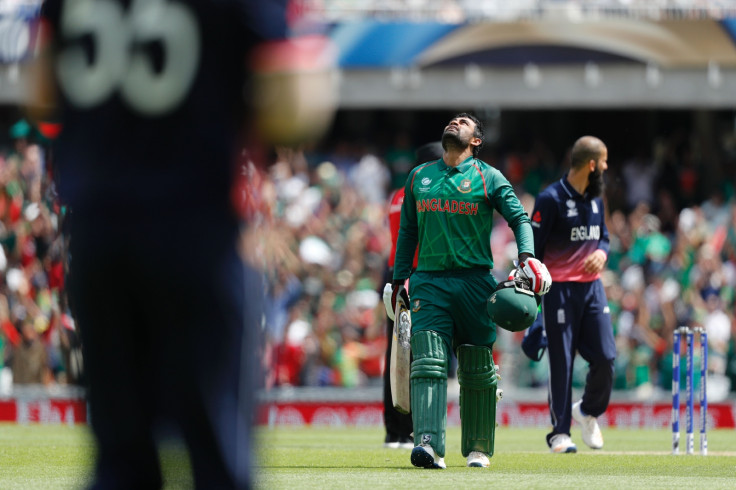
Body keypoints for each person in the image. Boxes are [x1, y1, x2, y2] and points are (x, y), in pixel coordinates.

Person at [35, 0, 333, 487]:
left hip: (96, 230)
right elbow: (292, 106)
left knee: (119, 460)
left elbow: (41, 89)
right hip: (198, 229)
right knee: (216, 455)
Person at [387, 113, 551, 469]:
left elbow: (520, 219)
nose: (454, 122)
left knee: (477, 368)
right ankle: (428, 445)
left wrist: (527, 258)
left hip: (476, 282)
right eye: (452, 119)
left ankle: (478, 448)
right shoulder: (419, 176)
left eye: (463, 122)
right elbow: (408, 233)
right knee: (428, 361)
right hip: (428, 281)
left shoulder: (487, 176)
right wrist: (400, 280)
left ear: (476, 140)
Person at [529, 135, 616, 454]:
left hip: (592, 288)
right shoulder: (550, 198)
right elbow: (532, 250)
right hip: (559, 290)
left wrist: (602, 255)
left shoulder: (596, 199)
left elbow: (603, 237)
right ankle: (559, 433)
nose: (607, 168)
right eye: (604, 162)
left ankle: (588, 411)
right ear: (591, 164)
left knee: (606, 357)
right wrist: (534, 303)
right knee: (562, 362)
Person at [382, 141, 443, 450]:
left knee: (395, 353)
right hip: (415, 273)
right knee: (416, 353)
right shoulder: (423, 192)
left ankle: (394, 431)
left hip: (394, 273)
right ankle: (408, 430)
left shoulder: (398, 194)